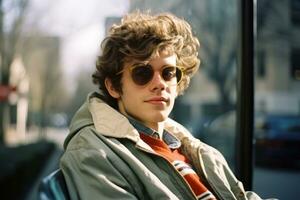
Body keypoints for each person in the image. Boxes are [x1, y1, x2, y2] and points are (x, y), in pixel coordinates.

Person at [60, 11, 266, 200]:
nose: (159, 84)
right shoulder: (93, 152)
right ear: (114, 86)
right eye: (142, 73)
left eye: (168, 73)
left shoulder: (193, 148)